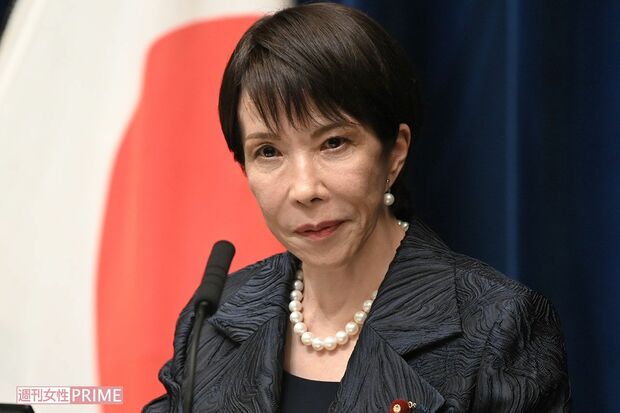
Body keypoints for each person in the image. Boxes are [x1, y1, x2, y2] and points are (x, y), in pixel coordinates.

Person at [143, 3, 571, 412]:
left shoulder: (498, 327)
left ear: (394, 152)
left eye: (334, 143)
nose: (305, 189)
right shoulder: (215, 317)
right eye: (268, 151)